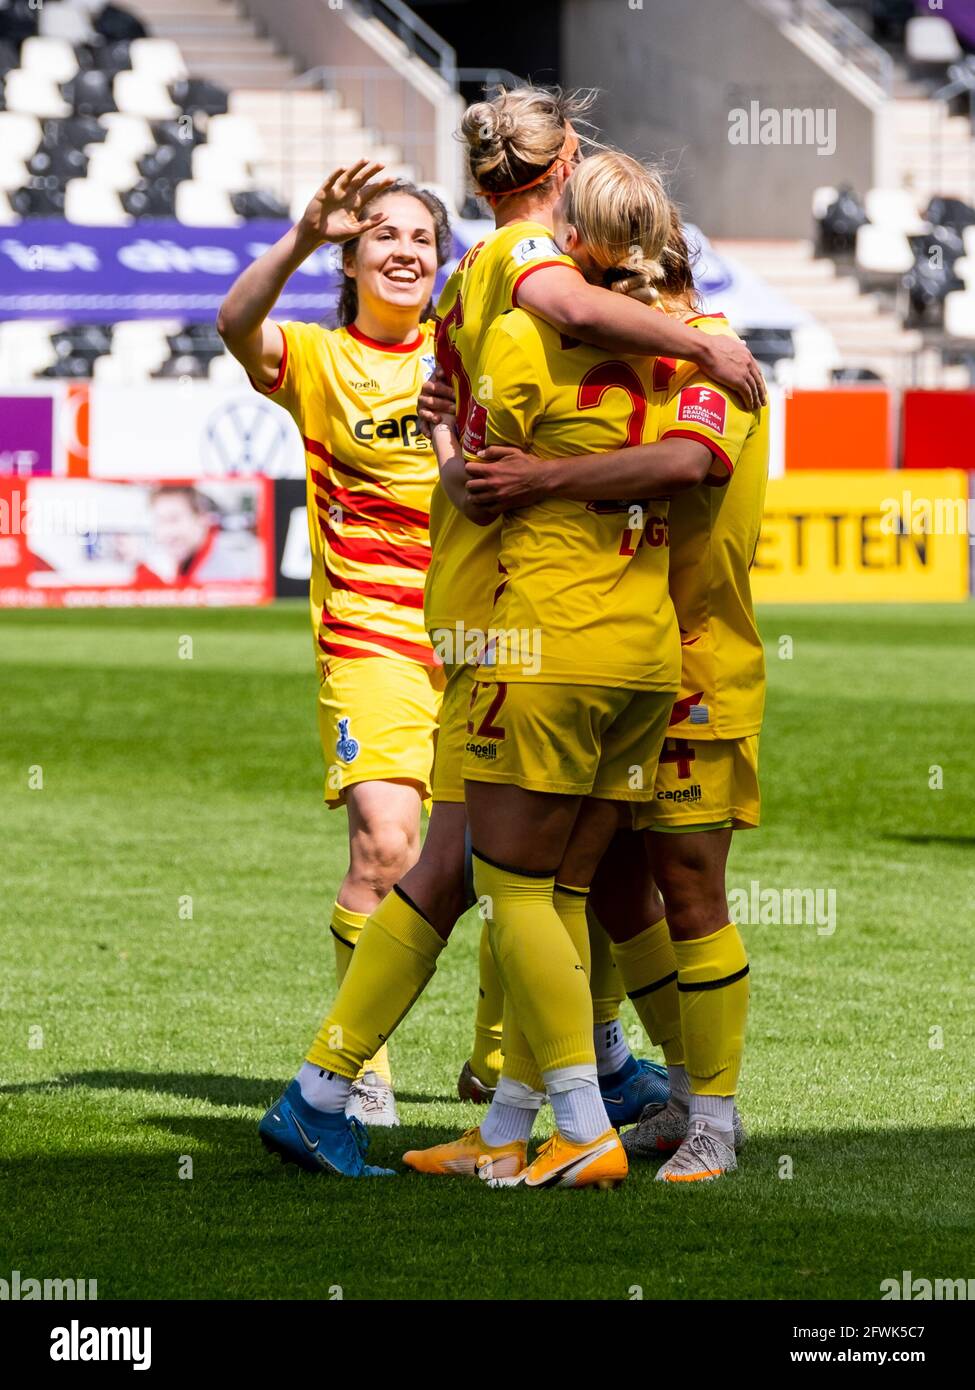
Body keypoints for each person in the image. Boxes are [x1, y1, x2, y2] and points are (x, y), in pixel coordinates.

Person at [254, 85, 765, 1180]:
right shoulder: (635, 331)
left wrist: (483, 458)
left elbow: (500, 472)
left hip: (561, 637)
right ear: (567, 171)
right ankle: (529, 1113)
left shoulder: (575, 314)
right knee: (543, 879)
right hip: (610, 645)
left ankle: (594, 1115)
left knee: (536, 883)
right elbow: (550, 447)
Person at [465, 219, 769, 1183]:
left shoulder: (716, 359)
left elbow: (686, 467)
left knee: (688, 886)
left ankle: (714, 1116)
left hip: (695, 667)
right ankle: (647, 1087)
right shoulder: (637, 361)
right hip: (626, 659)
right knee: (600, 888)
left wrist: (538, 476)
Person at [217, 162, 451, 1133]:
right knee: (387, 846)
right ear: (353, 258)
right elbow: (235, 324)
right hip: (373, 640)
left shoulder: (471, 351)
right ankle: (360, 1066)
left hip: (490, 641)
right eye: (384, 236)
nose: (404, 251)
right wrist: (302, 234)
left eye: (422, 240)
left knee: (518, 864)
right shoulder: (316, 358)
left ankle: (506, 1065)